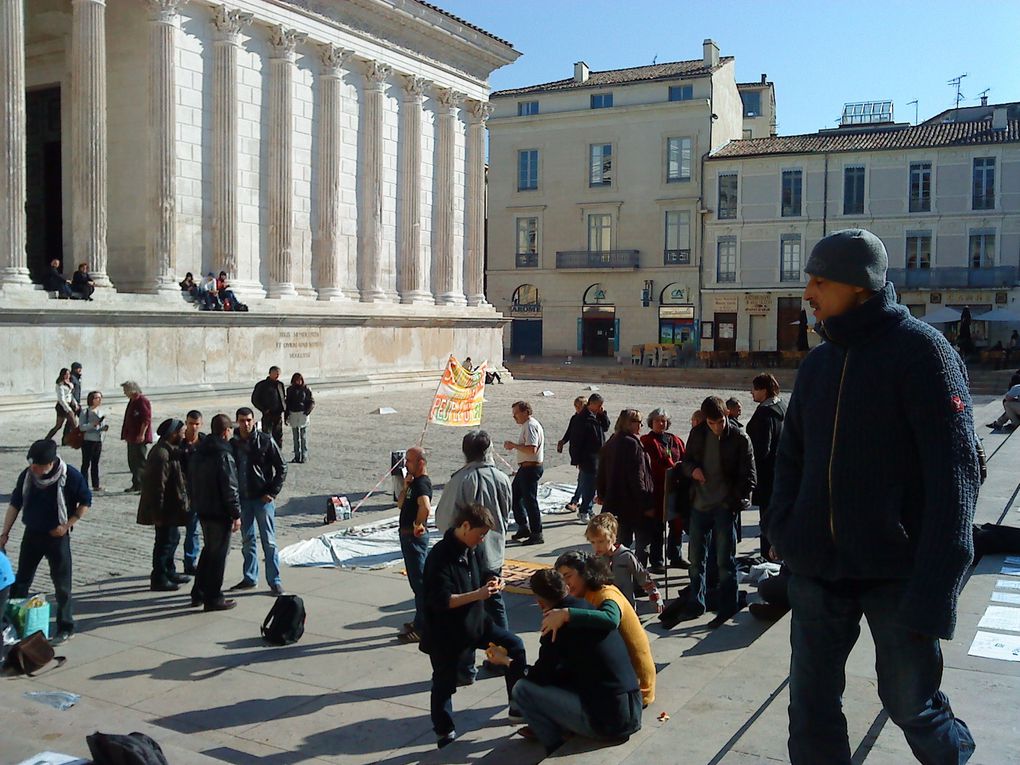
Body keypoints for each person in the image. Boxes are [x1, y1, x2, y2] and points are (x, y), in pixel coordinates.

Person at [768, 228, 978, 764]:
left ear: (859, 286)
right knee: (810, 710)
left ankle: (955, 754)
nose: (807, 294)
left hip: (896, 574)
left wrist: (936, 588)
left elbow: (955, 480)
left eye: (818, 281)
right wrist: (785, 531)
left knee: (911, 705)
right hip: (817, 573)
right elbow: (790, 457)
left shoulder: (924, 354)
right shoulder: (818, 364)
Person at [495, 568, 642, 755]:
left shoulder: (556, 626)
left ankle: (554, 745)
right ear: (566, 587)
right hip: (633, 710)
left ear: (540, 603)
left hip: (608, 725)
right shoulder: (588, 608)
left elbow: (538, 677)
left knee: (522, 689)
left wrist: (506, 661)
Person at [420, 503, 526, 748]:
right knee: (444, 683)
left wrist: (493, 579)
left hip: (477, 624)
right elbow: (442, 600)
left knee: (515, 646)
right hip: (446, 633)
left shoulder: (473, 548)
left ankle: (517, 705)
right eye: (479, 535)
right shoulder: (440, 556)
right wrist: (478, 594)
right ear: (464, 526)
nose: (481, 541)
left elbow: (485, 571)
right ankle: (444, 731)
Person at [434, 430, 514, 680]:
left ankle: (466, 667)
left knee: (467, 610)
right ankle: (502, 656)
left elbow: (445, 519)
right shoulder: (501, 477)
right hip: (493, 552)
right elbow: (507, 509)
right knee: (495, 604)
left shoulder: (461, 480)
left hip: (467, 556)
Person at [1, 440, 91, 644]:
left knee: (62, 585)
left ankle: (65, 626)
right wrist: (4, 533)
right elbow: (15, 504)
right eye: (31, 465)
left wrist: (67, 525)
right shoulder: (27, 476)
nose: (33, 469)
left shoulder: (71, 476)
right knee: (21, 581)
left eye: (37, 466)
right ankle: (13, 623)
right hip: (32, 534)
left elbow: (85, 502)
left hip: (57, 537)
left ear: (50, 463)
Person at [678, 396, 756, 627]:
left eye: (720, 421)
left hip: (724, 506)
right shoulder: (698, 433)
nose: (716, 427)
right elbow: (686, 461)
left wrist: (733, 501)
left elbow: (750, 477)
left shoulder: (740, 437)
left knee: (725, 561)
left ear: (727, 415)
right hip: (700, 505)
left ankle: (727, 606)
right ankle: (696, 603)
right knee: (695, 560)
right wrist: (693, 470)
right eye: (711, 423)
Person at [550, 552, 656, 707]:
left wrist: (568, 614)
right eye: (561, 578)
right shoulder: (584, 595)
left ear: (585, 573)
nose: (565, 583)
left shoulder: (606, 594)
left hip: (635, 688)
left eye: (568, 576)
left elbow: (611, 618)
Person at [230, 407, 287, 596]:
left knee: (269, 541)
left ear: (253, 421)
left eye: (248, 420)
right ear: (237, 422)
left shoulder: (265, 440)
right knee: (247, 541)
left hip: (262, 499)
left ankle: (274, 580)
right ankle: (250, 577)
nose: (245, 424)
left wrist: (272, 492)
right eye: (241, 420)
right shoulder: (234, 443)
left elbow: (281, 467)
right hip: (244, 499)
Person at [189, 414, 242, 611]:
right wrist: (236, 514)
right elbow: (230, 488)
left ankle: (199, 592)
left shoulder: (199, 451)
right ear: (226, 431)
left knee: (208, 551)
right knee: (218, 555)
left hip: (203, 509)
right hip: (219, 512)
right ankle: (213, 596)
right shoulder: (223, 455)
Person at [137, 419, 191, 591]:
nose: (184, 434)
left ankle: (169, 570)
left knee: (173, 538)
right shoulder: (161, 454)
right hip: (164, 509)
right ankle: (159, 577)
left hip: (172, 507)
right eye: (181, 432)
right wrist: (157, 514)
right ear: (173, 434)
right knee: (163, 542)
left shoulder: (171, 450)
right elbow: (156, 487)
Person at [596, 409, 655, 565]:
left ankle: (620, 578)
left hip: (615, 503)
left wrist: (602, 494)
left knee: (620, 544)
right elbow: (638, 477)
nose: (641, 425)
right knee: (642, 544)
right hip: (633, 504)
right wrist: (647, 503)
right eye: (638, 422)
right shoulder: (632, 444)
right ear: (629, 423)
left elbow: (601, 472)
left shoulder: (611, 441)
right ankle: (638, 580)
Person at [639, 407, 686, 573]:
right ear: (651, 422)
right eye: (658, 420)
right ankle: (657, 560)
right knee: (658, 527)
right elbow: (653, 463)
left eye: (664, 420)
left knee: (677, 524)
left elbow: (684, 457)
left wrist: (681, 469)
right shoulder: (647, 440)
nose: (661, 423)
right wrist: (673, 467)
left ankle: (675, 556)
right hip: (658, 489)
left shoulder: (675, 439)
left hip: (676, 488)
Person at [585, 512, 662, 611]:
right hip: (607, 605)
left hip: (626, 605)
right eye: (593, 542)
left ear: (612, 538)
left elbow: (641, 575)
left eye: (601, 541)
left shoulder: (625, 555)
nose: (596, 546)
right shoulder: (596, 560)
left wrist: (654, 594)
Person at [745, 373, 786, 556]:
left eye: (754, 389)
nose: (751, 393)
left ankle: (767, 556)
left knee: (767, 518)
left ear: (763, 390)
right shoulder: (782, 407)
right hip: (782, 472)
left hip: (767, 475)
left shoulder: (765, 413)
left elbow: (762, 448)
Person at [396, 446, 432, 645]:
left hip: (413, 538)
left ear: (420, 463)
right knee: (415, 582)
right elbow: (400, 504)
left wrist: (418, 525)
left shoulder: (423, 484)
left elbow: (425, 507)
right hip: (407, 536)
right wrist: (405, 486)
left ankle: (422, 628)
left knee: (420, 584)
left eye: (409, 461)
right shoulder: (413, 483)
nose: (405, 465)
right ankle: (419, 620)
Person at [504, 401, 545, 545]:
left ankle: (536, 533)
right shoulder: (527, 426)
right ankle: (523, 526)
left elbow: (531, 449)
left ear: (525, 412)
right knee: (515, 496)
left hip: (531, 468)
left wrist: (514, 446)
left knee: (530, 501)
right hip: (525, 468)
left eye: (516, 413)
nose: (514, 417)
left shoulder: (531, 426)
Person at [180, 410, 205, 575]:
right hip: (185, 492)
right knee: (191, 529)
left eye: (196, 424)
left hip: (203, 491)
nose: (194, 427)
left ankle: (198, 560)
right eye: (191, 424)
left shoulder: (205, 442)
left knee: (199, 529)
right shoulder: (180, 443)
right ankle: (189, 561)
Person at [557, 396, 588, 513]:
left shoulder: (589, 419)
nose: (577, 409)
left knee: (584, 478)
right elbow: (569, 432)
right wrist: (563, 442)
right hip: (578, 454)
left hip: (587, 454)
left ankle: (576, 501)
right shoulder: (575, 418)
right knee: (583, 478)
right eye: (576, 406)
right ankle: (578, 500)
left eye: (580, 406)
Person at [121, 381, 152, 493]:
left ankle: (143, 485)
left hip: (138, 436)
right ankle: (136, 483)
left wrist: (142, 434)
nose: (124, 392)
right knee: (132, 461)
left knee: (140, 461)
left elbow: (146, 419)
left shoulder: (142, 401)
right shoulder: (132, 401)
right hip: (131, 436)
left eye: (125, 390)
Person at [79, 391, 109, 490]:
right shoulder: (85, 412)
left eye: (100, 398)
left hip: (98, 440)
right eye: (97, 398)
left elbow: (100, 426)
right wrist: (92, 424)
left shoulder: (101, 412)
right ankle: (84, 484)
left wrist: (103, 428)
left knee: (95, 463)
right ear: (91, 399)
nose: (99, 400)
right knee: (86, 463)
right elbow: (82, 427)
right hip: (88, 440)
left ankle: (96, 485)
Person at [251, 366, 287, 448]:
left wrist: (284, 410)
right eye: (276, 374)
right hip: (268, 415)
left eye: (278, 374)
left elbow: (282, 398)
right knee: (266, 436)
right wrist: (264, 410)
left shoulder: (280, 384)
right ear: (270, 373)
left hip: (278, 415)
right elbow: (255, 400)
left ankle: (278, 454)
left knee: (278, 437)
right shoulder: (262, 385)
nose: (277, 376)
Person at [285, 372, 315, 463]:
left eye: (300, 379)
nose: (299, 381)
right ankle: (297, 455)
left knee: (303, 435)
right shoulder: (290, 389)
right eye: (297, 380)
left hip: (303, 413)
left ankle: (304, 455)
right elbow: (287, 403)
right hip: (293, 413)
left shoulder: (306, 389)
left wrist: (307, 411)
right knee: (295, 436)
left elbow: (311, 401)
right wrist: (286, 416)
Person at [45, 368, 78, 442]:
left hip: (69, 404)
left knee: (73, 423)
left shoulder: (69, 383)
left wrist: (75, 403)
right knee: (60, 425)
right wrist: (68, 409)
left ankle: (72, 440)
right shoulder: (60, 385)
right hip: (62, 406)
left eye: (69, 374)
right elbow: (61, 399)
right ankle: (47, 439)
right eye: (66, 374)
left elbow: (70, 395)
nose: (67, 376)